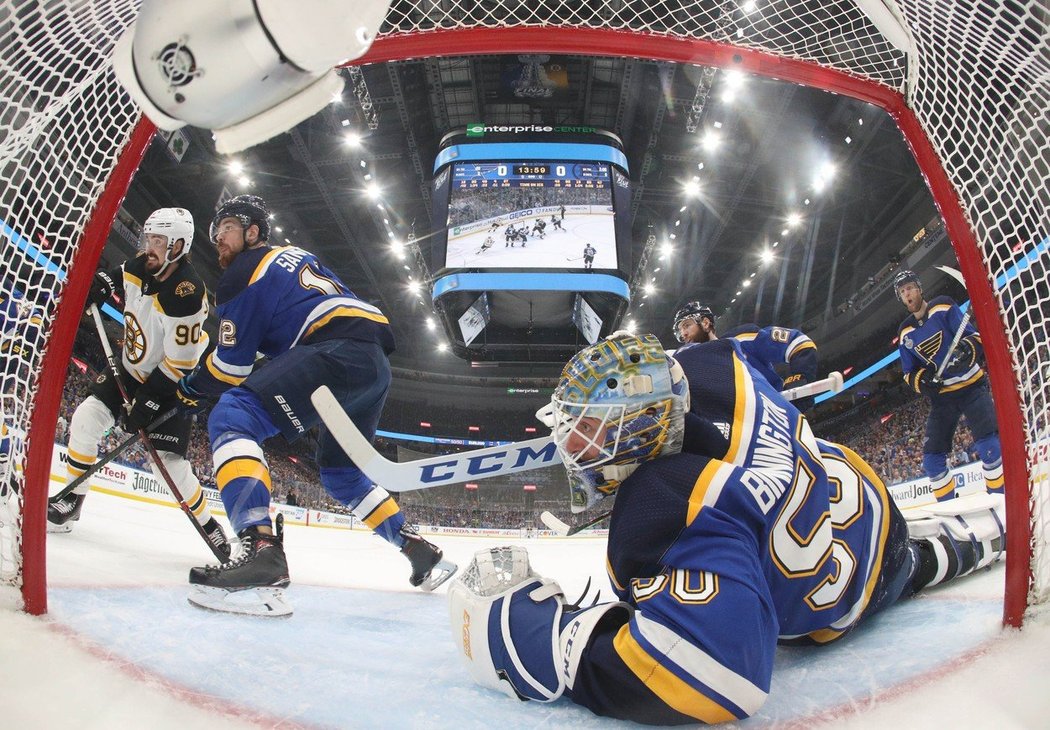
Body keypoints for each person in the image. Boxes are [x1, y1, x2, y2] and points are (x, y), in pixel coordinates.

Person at [448, 333, 1005, 723]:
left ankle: (970, 542)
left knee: (925, 562)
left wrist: (550, 643)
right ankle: (977, 537)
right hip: (856, 491)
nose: (569, 447)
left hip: (862, 581)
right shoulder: (713, 366)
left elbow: (721, 675)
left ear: (637, 429)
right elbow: (767, 345)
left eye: (585, 429)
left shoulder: (664, 502)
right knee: (934, 555)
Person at [176, 194, 455, 616]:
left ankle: (261, 551)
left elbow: (231, 367)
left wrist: (189, 387)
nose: (218, 238)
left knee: (234, 414)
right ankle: (418, 549)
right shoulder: (292, 256)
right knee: (342, 476)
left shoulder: (242, 272)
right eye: (215, 232)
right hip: (372, 364)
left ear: (253, 232)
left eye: (227, 227)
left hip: (336, 351)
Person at [46, 208, 230, 560]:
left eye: (159, 241)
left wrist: (148, 401)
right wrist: (102, 285)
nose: (150, 247)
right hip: (131, 370)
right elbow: (117, 276)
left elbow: (181, 362)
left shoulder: (186, 293)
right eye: (149, 239)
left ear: (178, 245)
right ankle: (73, 500)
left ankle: (210, 527)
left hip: (170, 384)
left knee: (168, 468)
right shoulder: (141, 265)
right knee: (86, 417)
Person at [894, 269, 1003, 502]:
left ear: (919, 289)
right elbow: (908, 373)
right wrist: (923, 382)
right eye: (903, 292)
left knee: (990, 449)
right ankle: (952, 513)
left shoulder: (943, 307)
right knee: (931, 462)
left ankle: (1001, 503)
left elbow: (974, 338)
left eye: (910, 288)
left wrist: (966, 350)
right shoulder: (905, 332)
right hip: (942, 399)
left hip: (972, 387)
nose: (908, 294)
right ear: (900, 299)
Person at [672, 301, 819, 411]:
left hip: (777, 422)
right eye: (679, 331)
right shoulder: (691, 368)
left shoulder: (741, 339)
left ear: (705, 323)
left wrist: (801, 377)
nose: (683, 334)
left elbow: (798, 342)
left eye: (686, 325)